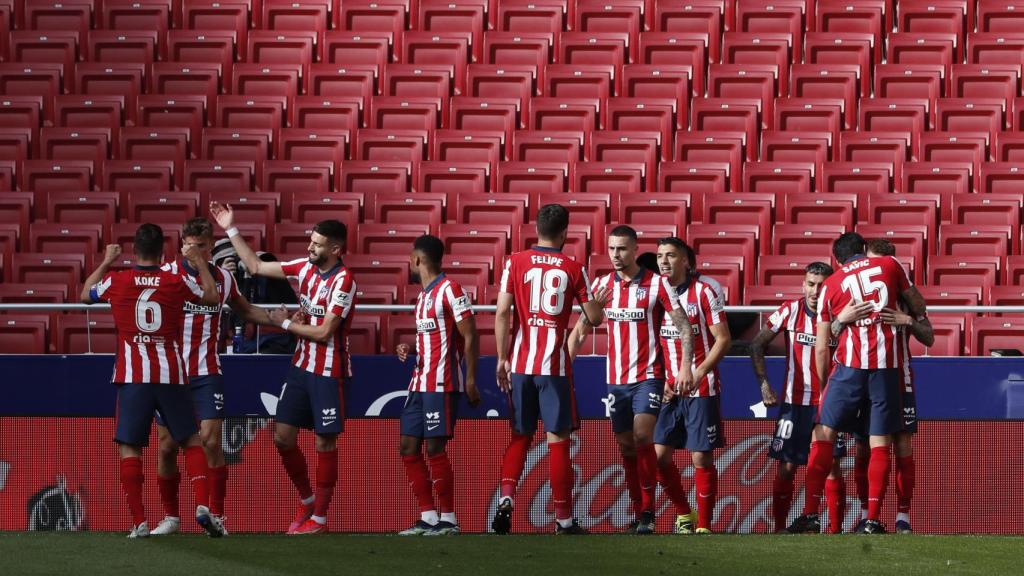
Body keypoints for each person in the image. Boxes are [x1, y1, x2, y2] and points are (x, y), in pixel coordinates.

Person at [210, 202, 357, 535]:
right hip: (301, 367)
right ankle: (307, 500)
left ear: (335, 249)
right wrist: (231, 228)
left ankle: (319, 517)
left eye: (318, 244)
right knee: (282, 437)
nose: (310, 247)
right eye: (311, 241)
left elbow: (324, 332)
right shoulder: (304, 268)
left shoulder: (344, 281)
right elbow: (256, 267)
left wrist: (286, 322)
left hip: (329, 371)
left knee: (324, 443)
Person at [80, 224, 220, 538]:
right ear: (162, 253)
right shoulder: (175, 281)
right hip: (171, 373)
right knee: (191, 441)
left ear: (134, 251)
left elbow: (83, 295)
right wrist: (199, 263)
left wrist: (105, 261)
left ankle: (139, 521)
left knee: (131, 447)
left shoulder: (116, 280)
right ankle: (201, 505)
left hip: (133, 376)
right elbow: (211, 297)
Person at [787, 232, 929, 535]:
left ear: (836, 260)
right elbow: (919, 303)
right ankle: (873, 519)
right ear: (864, 250)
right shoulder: (890, 265)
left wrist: (826, 385)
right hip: (887, 369)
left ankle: (811, 513)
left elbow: (822, 346)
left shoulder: (831, 285)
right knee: (881, 442)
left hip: (849, 369)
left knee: (823, 433)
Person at [149, 218, 276, 536]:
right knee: (166, 446)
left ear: (210, 247)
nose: (195, 251)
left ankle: (216, 515)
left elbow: (246, 311)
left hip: (207, 371)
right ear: (181, 244)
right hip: (170, 372)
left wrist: (279, 318)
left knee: (211, 440)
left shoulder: (224, 278)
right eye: (190, 245)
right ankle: (171, 517)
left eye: (202, 246)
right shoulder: (166, 276)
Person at [569, 226, 694, 535]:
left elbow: (684, 327)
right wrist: (563, 366)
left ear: (635, 250)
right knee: (626, 446)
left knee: (641, 436)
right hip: (615, 379)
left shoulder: (657, 285)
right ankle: (639, 511)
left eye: (622, 249)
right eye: (612, 249)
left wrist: (686, 367)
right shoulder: (600, 285)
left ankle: (650, 510)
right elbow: (581, 330)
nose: (616, 255)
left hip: (648, 376)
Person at [492, 204, 607, 535]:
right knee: (557, 439)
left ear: (536, 229)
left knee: (520, 436)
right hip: (553, 367)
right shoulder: (573, 267)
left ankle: (507, 497)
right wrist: (596, 301)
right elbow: (595, 318)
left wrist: (502, 357)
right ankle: (564, 520)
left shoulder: (514, 261)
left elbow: (502, 313)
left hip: (520, 363)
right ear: (565, 233)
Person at [750, 262, 871, 534]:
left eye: (821, 285)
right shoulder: (791, 311)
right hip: (795, 403)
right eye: (810, 284)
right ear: (803, 284)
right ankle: (779, 529)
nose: (815, 291)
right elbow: (757, 343)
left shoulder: (843, 311)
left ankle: (834, 530)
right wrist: (764, 384)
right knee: (787, 467)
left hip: (831, 401)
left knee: (832, 467)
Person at [843, 239, 933, 534]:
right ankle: (868, 514)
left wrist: (907, 320)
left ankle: (903, 516)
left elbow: (929, 337)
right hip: (862, 378)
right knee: (862, 449)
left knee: (902, 444)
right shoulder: (854, 295)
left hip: (898, 377)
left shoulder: (905, 299)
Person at [395, 235, 481, 536]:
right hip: (419, 382)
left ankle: (449, 519)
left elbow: (470, 335)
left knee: (434, 447)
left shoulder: (451, 289)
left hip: (443, 382)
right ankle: (428, 516)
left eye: (410, 257)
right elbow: (433, 340)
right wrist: (412, 349)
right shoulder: (421, 298)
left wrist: (471, 379)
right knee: (408, 445)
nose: (409, 263)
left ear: (418, 259)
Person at [653, 238, 731, 534]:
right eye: (660, 255)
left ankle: (705, 526)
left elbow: (723, 339)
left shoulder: (704, 291)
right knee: (659, 456)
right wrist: (659, 380)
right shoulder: (653, 293)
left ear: (686, 260)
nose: (664, 261)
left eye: (671, 255)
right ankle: (685, 513)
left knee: (700, 456)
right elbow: (650, 342)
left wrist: (698, 373)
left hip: (702, 386)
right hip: (666, 388)